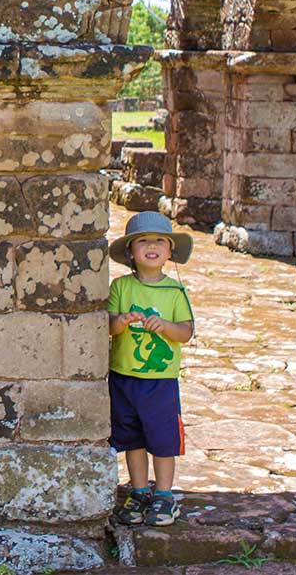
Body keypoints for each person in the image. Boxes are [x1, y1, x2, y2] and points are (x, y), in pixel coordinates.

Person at [106, 211, 195, 526]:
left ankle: (164, 495)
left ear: (170, 251)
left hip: (160, 381)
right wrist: (123, 321)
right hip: (125, 376)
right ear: (131, 251)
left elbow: (185, 332)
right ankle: (140, 490)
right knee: (132, 438)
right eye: (143, 241)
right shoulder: (121, 288)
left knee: (162, 438)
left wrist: (165, 327)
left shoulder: (175, 293)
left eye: (159, 241)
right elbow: (110, 327)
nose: (151, 246)